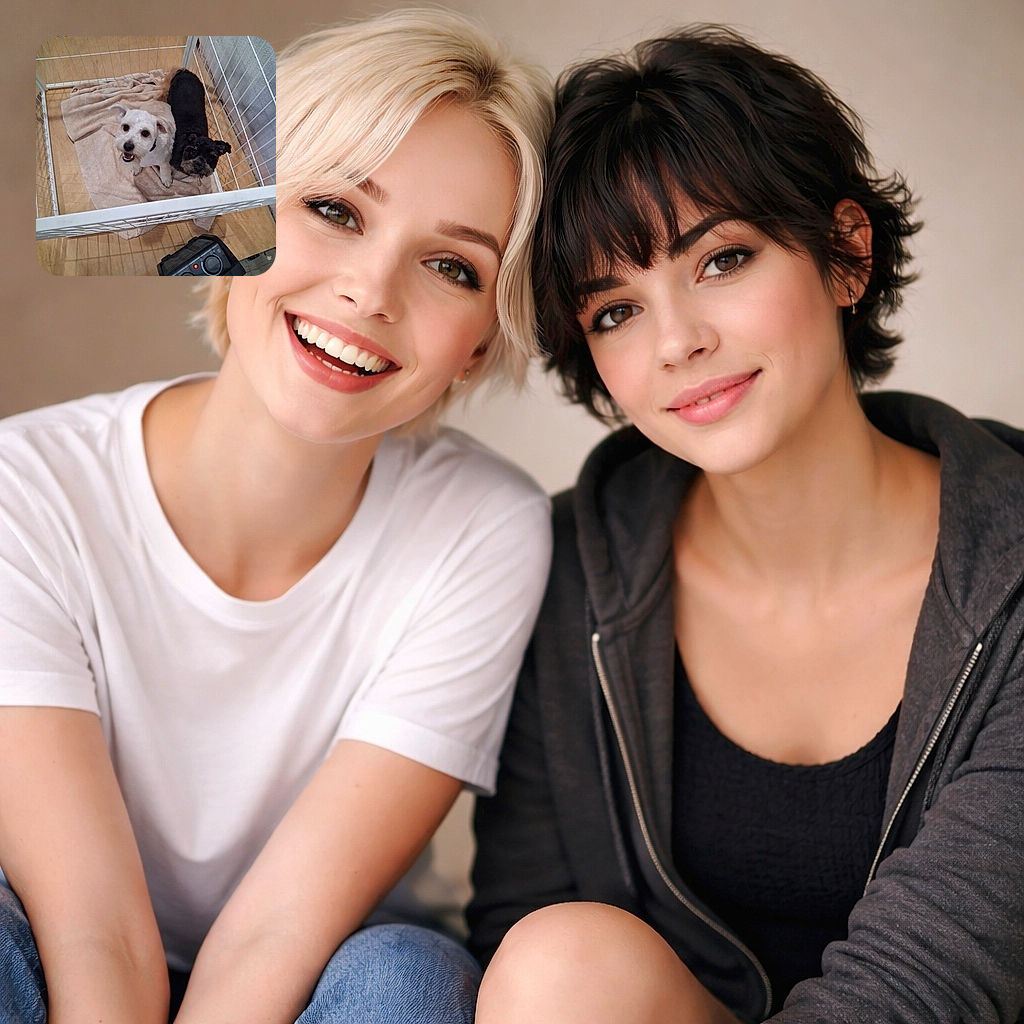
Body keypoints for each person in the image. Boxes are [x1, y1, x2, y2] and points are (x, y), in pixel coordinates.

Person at [0, 9, 553, 1023]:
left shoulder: (485, 531)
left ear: (478, 346)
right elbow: (90, 924)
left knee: (407, 978)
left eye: (451, 266)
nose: (368, 289)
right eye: (337, 209)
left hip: (309, 983)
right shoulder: (23, 487)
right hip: (54, 953)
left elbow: (277, 932)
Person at [469, 24, 1024, 1024]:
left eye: (721, 260)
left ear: (846, 253)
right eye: (614, 311)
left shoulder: (1011, 567)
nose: (677, 341)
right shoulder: (566, 572)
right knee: (557, 961)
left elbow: (945, 975)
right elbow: (520, 925)